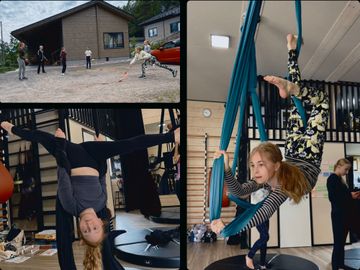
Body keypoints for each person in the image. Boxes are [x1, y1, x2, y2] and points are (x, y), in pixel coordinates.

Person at [211, 34, 330, 256]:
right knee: (310, 99)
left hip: (295, 150)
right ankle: (291, 59)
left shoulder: (274, 185)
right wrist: (227, 169)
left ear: (275, 164)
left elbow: (257, 207)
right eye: (254, 165)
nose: (254, 170)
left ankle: (291, 58)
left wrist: (229, 229)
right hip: (306, 155)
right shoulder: (276, 184)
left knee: (300, 99)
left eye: (259, 164)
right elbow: (246, 198)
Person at [0, 121, 180, 268]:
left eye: (85, 231)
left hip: (70, 156)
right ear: (101, 223)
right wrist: (103, 151)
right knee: (128, 145)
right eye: (94, 228)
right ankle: (172, 136)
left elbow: (62, 172)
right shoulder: (101, 203)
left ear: (79, 228)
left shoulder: (70, 206)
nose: (88, 225)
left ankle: (9, 127)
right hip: (94, 157)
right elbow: (102, 176)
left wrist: (61, 144)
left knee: (40, 136)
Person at [327, 158, 360, 270]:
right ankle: (335, 266)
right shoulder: (332, 179)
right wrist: (350, 196)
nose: (346, 172)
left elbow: (343, 196)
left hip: (344, 216)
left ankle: (340, 264)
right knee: (338, 243)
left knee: (341, 243)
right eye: (346, 169)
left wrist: (351, 195)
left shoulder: (340, 180)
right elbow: (334, 198)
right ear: (339, 166)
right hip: (338, 216)